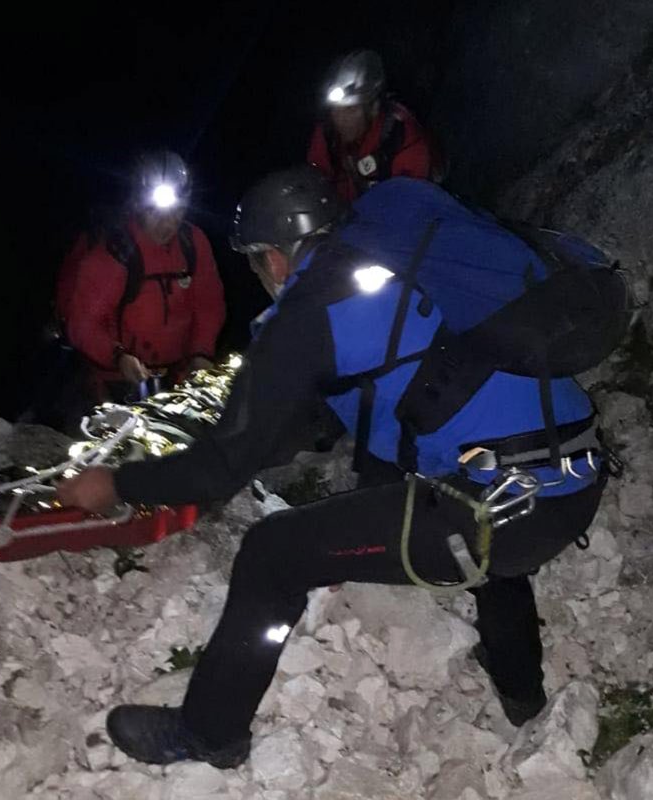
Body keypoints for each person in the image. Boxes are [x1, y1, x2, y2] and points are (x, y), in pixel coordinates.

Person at [57, 167, 610, 769]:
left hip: (504, 506)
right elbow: (349, 410)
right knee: (483, 533)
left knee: (273, 555)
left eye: (253, 261)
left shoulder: (306, 314)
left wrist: (114, 483)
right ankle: (522, 694)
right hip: (571, 471)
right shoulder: (391, 263)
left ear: (272, 257)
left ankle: (208, 732)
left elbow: (220, 469)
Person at [55, 150, 225, 406]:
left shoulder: (194, 243)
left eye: (177, 212)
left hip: (177, 377)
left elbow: (208, 304)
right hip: (116, 381)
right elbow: (83, 324)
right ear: (138, 203)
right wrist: (118, 357)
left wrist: (201, 352)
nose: (167, 224)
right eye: (156, 213)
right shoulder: (116, 253)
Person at [306, 49, 438, 203]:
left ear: (373, 108)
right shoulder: (327, 134)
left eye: (351, 109)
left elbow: (410, 210)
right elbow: (313, 185)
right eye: (335, 109)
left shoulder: (404, 142)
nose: (340, 118)